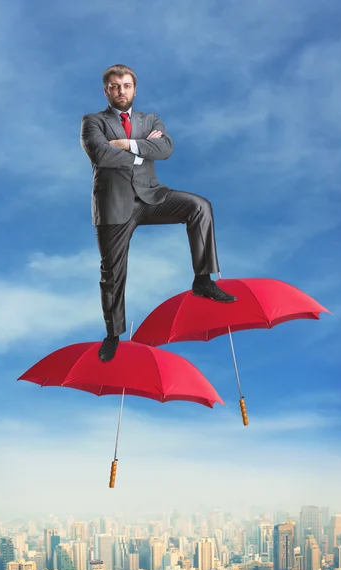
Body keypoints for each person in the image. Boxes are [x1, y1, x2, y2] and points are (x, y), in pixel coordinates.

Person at [80, 64, 237, 362]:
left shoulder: (149, 119)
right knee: (112, 273)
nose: (121, 91)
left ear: (134, 89)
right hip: (114, 205)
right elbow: (100, 153)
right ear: (106, 91)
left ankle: (202, 280)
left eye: (126, 85)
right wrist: (141, 154)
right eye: (114, 86)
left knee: (199, 206)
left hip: (151, 196)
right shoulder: (92, 122)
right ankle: (113, 335)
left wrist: (127, 144)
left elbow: (165, 148)